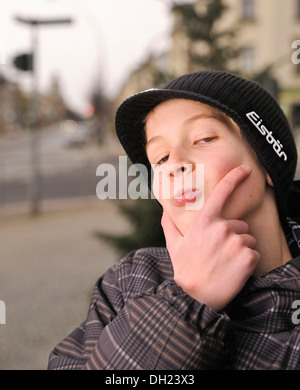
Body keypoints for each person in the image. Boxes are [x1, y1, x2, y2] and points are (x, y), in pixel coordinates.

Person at [48, 70, 300, 370]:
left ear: (269, 160)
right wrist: (186, 299)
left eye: (203, 138)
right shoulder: (129, 281)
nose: (174, 164)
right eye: (160, 157)